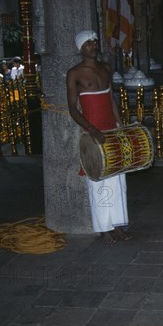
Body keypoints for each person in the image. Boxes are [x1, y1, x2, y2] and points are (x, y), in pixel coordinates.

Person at [66, 30, 131, 245]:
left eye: (95, 42)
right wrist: (91, 129)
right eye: (88, 43)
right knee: (98, 180)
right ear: (80, 48)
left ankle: (118, 224)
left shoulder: (106, 69)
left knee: (117, 178)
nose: (93, 45)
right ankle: (104, 229)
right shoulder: (74, 73)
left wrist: (120, 123)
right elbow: (73, 109)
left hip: (111, 128)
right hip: (92, 129)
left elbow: (111, 98)